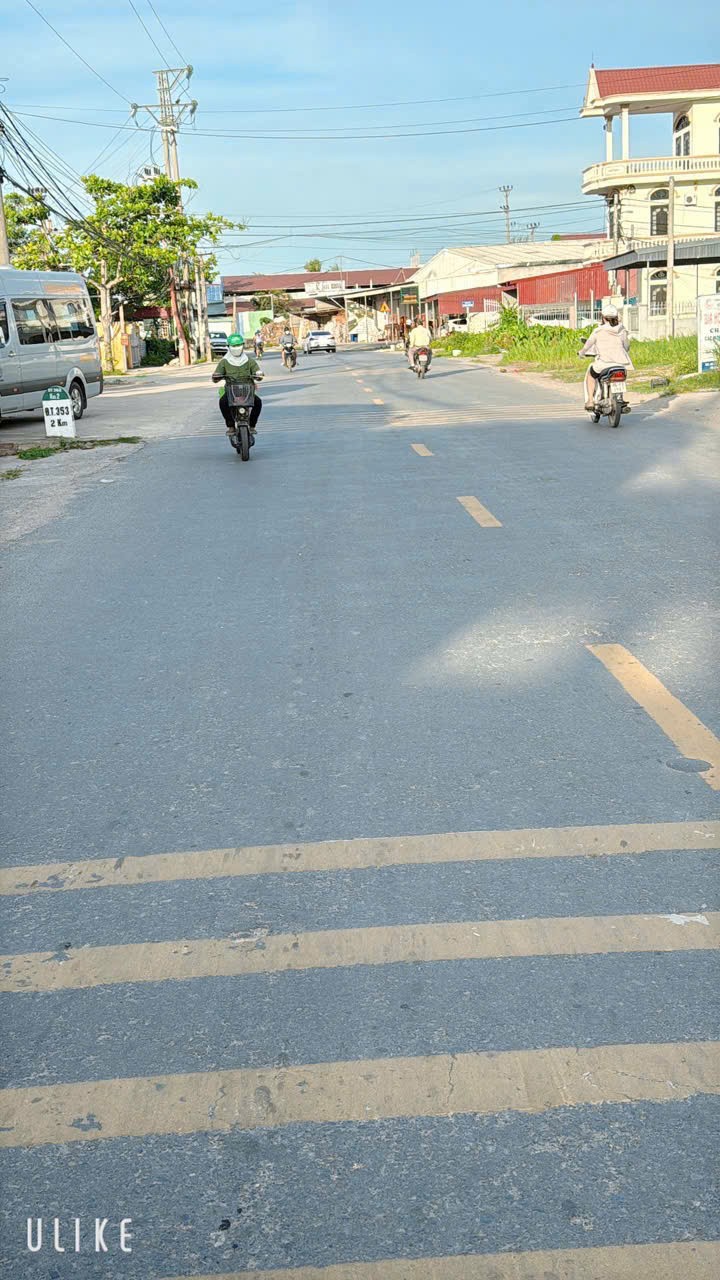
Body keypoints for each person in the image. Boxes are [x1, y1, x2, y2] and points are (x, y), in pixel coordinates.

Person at [579, 304, 633, 409]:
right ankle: (619, 398)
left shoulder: (598, 331)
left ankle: (590, 401)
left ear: (603, 318)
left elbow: (587, 345)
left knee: (591, 374)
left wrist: (581, 352)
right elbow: (626, 347)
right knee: (621, 377)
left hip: (604, 363)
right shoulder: (622, 330)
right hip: (620, 364)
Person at [212, 334, 263, 437]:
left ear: (243, 346)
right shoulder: (224, 362)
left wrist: (258, 374)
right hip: (231, 391)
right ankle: (231, 426)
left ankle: (252, 425)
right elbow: (217, 374)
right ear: (229, 346)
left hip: (247, 391)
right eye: (234, 346)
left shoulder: (249, 360)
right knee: (223, 402)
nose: (236, 348)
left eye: (238, 345)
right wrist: (216, 376)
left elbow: (257, 371)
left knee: (258, 402)